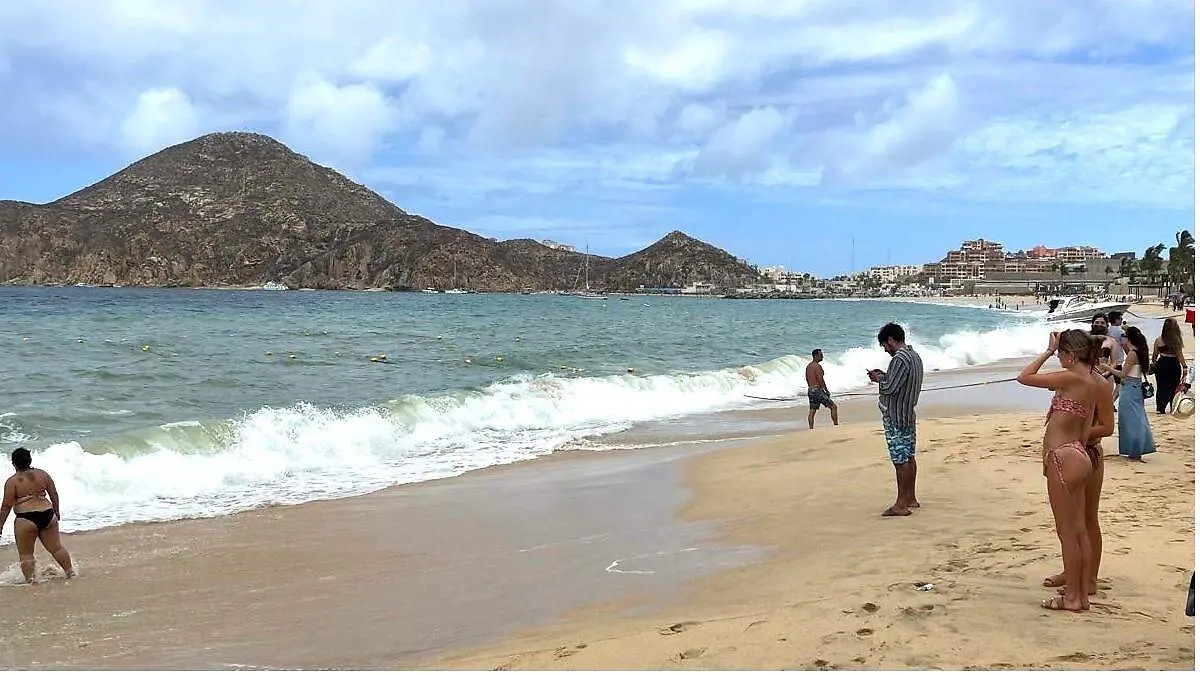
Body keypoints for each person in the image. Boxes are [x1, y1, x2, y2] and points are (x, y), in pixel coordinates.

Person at [1017, 329, 1099, 611]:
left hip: (1062, 456)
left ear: (1070, 354)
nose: (1059, 356)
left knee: (1067, 532)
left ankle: (1073, 597)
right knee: (1078, 530)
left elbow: (1024, 377)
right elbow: (1086, 430)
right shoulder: (1091, 382)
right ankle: (1081, 593)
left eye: (1062, 353)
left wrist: (1047, 351)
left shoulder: (1071, 377)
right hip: (1078, 453)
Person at [1042, 334, 1115, 598]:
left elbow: (1107, 426)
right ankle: (1073, 572)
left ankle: (1089, 578)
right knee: (1069, 523)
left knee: (1086, 519)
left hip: (1087, 452)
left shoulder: (1098, 384)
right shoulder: (1072, 377)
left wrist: (1076, 437)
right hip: (1069, 452)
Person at [867, 323, 924, 517]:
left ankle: (901, 504)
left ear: (891, 340)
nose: (885, 349)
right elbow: (899, 381)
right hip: (908, 413)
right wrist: (884, 376)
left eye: (885, 345)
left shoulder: (899, 358)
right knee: (909, 456)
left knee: (900, 460)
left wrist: (878, 380)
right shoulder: (914, 356)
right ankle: (910, 498)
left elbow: (891, 387)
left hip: (896, 415)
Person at [0, 448, 75, 583]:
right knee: (57, 548)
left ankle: (31, 581)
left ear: (13, 463)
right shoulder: (43, 475)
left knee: (26, 555)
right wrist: (56, 512)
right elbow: (54, 494)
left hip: (26, 518)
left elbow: (6, 506)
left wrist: (0, 526)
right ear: (30, 460)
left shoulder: (13, 481)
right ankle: (70, 572)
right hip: (47, 513)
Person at [1100, 326, 1156, 460]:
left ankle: (1134, 450)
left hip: (1130, 388)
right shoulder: (1137, 352)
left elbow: (1123, 374)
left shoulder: (1132, 354)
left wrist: (1106, 366)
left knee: (1130, 420)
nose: (1122, 339)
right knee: (1137, 418)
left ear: (1129, 338)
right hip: (1135, 387)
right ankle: (1136, 450)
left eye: (1124, 336)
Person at [1152, 318, 1188, 414]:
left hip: (1162, 363)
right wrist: (1184, 366)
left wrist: (1153, 364)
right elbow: (1179, 355)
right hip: (1173, 364)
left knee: (1161, 386)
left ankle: (1160, 408)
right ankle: (1173, 407)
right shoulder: (1176, 340)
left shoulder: (1159, 339)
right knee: (1174, 386)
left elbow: (1155, 355)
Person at [805, 349, 839, 429]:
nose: (822, 356)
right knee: (833, 406)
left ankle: (811, 428)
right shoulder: (817, 366)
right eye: (820, 355)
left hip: (810, 390)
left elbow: (807, 378)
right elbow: (820, 379)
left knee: (812, 410)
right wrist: (826, 391)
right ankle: (836, 426)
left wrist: (812, 387)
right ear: (815, 356)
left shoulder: (808, 366)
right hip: (817, 390)